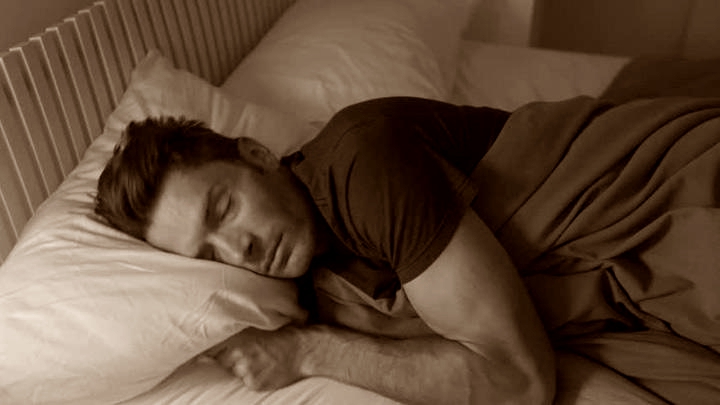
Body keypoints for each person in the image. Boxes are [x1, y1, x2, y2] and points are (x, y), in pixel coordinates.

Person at [95, 96, 555, 405]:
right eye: (210, 257)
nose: (240, 251)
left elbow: (520, 382)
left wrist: (308, 352)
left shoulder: (362, 161)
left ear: (257, 155)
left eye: (224, 209)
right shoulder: (314, 287)